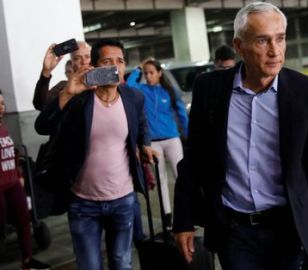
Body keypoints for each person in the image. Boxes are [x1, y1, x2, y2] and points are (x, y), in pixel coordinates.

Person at [172, 2, 308, 270]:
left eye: (280, 38)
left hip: (286, 227)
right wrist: (182, 220)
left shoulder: (304, 90)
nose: (275, 51)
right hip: (232, 229)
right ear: (239, 46)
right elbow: (193, 159)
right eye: (263, 40)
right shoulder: (209, 89)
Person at [35, 39, 153, 270]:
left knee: (122, 262)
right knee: (89, 265)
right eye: (107, 62)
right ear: (95, 67)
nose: (115, 67)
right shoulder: (78, 98)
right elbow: (42, 126)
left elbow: (140, 122)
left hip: (123, 200)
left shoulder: (133, 98)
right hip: (82, 203)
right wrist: (67, 91)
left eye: (120, 61)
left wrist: (144, 144)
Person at [126, 58, 189, 228]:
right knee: (161, 181)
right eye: (146, 73)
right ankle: (167, 218)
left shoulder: (169, 91)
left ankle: (188, 214)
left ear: (160, 73)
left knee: (180, 177)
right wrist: (138, 69)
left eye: (151, 72)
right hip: (153, 143)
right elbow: (129, 85)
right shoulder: (141, 90)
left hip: (172, 139)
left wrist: (189, 135)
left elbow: (182, 113)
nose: (148, 76)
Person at [0, 90, 50, 270]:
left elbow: (12, 153)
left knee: (23, 220)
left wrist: (19, 175)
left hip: (13, 183)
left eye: (3, 103)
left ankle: (28, 261)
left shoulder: (3, 127)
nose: (2, 107)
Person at [33, 41, 91, 110]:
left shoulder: (102, 82)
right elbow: (40, 105)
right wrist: (46, 71)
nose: (84, 62)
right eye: (77, 58)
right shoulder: (63, 86)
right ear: (72, 64)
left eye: (87, 57)